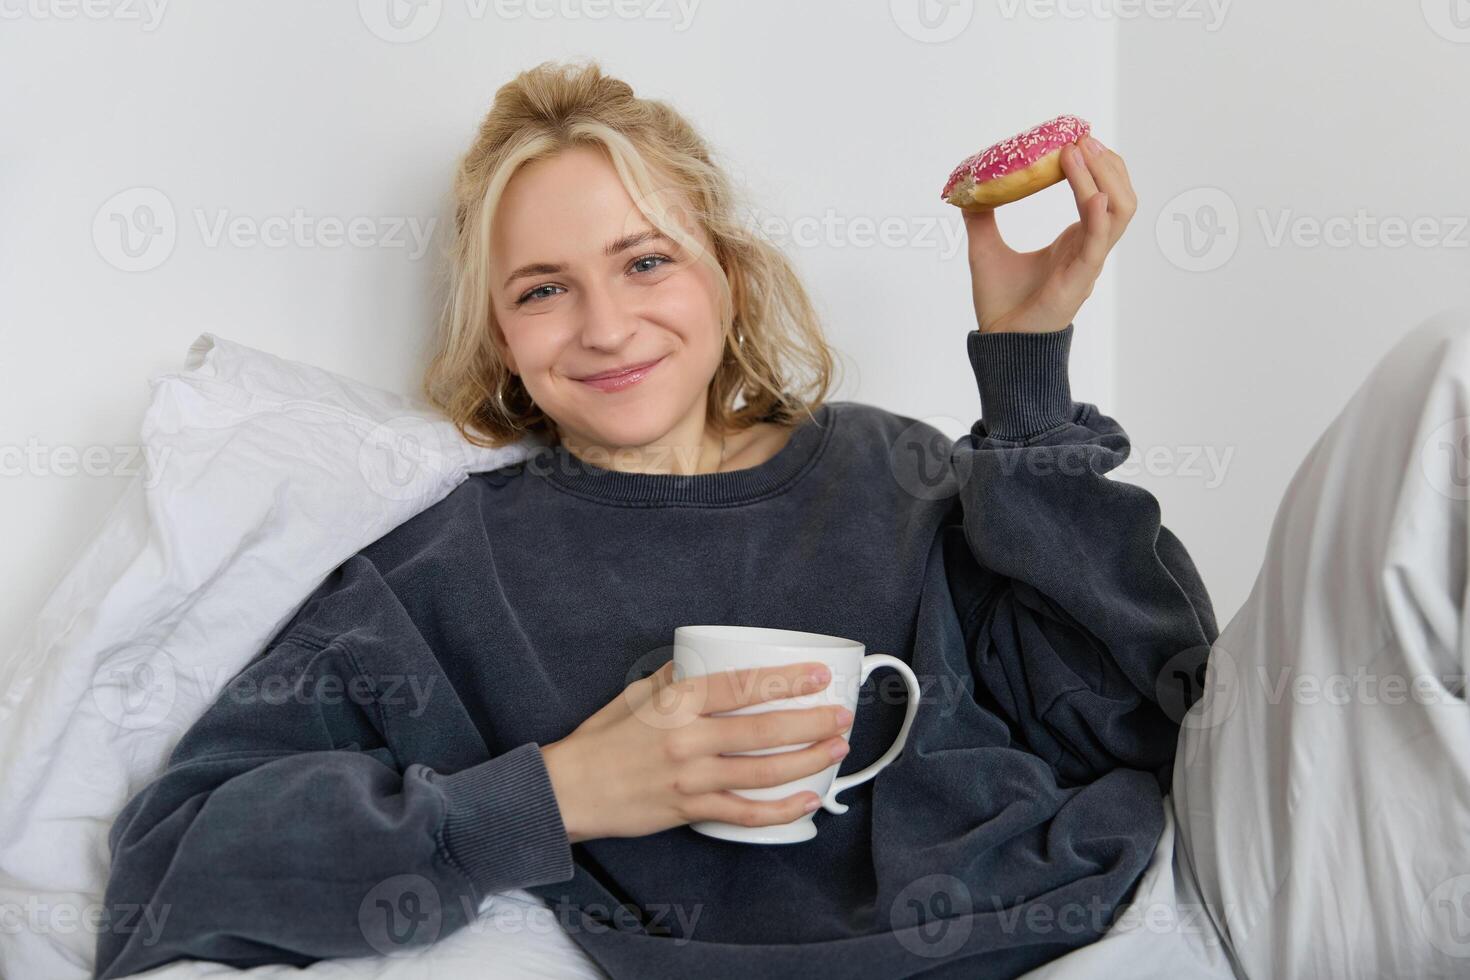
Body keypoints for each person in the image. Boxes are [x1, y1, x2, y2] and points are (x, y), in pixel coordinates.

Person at [90, 58, 1470, 980]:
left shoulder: (890, 469)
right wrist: (564, 792)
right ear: (498, 341)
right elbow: (167, 875)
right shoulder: (445, 566)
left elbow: (1151, 712)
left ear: (726, 281)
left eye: (644, 260)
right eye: (542, 289)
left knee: (1443, 375)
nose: (608, 322)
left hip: (1101, 915)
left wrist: (1027, 370)